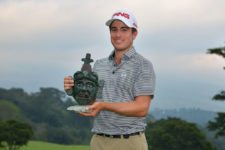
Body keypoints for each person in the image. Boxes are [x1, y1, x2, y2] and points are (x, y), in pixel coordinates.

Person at [64, 9, 156, 150]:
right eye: (114, 30)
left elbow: (141, 108)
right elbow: (93, 103)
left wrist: (104, 106)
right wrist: (74, 91)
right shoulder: (99, 65)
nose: (118, 35)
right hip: (98, 141)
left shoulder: (143, 65)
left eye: (124, 30)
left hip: (129, 142)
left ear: (134, 33)